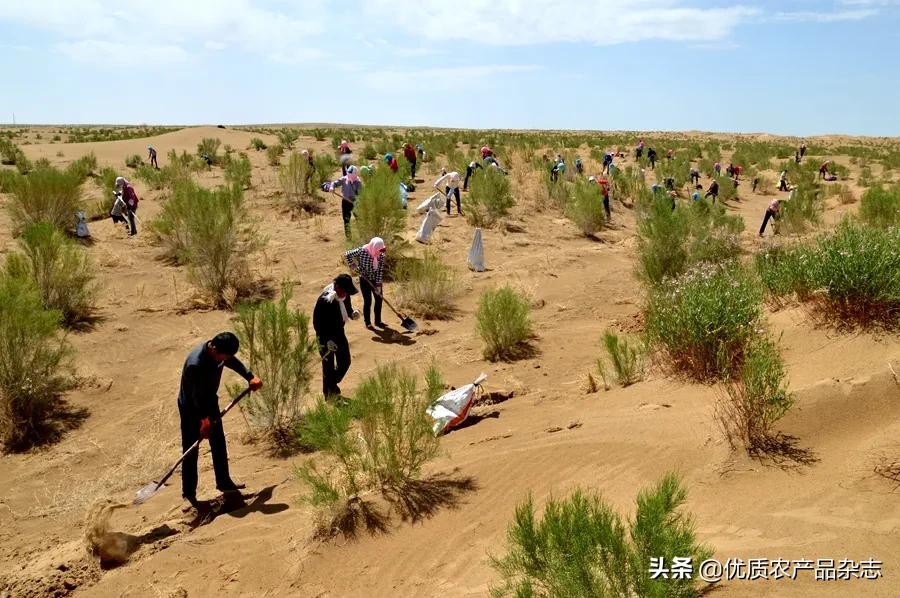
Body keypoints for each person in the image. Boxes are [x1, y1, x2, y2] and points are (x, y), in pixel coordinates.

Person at [177, 332, 263, 508]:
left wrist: (249, 376)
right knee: (191, 448)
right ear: (214, 349)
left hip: (209, 401)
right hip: (191, 409)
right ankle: (189, 493)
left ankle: (224, 482)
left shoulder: (220, 353)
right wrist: (203, 420)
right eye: (223, 356)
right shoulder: (196, 364)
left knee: (218, 442)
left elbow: (230, 360)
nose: (225, 359)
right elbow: (194, 397)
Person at [313, 274, 359, 398]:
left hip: (339, 333)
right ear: (337, 287)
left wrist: (352, 313)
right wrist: (327, 340)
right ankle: (329, 393)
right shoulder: (325, 300)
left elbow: (347, 307)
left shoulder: (344, 294)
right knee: (328, 366)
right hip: (324, 337)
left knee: (345, 362)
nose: (346, 294)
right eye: (344, 291)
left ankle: (331, 385)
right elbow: (317, 323)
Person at [345, 238, 387, 330]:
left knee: (379, 299)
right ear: (374, 247)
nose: (381, 252)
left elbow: (379, 271)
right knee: (368, 301)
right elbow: (348, 254)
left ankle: (378, 321)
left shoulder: (381, 256)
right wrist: (352, 265)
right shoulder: (362, 251)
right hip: (364, 279)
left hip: (375, 280)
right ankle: (367, 322)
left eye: (383, 250)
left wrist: (378, 285)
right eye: (380, 250)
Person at [327, 166, 362, 237]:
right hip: (345, 201)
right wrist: (331, 187)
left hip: (355, 203)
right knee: (346, 219)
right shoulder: (344, 179)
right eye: (348, 175)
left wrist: (358, 201)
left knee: (359, 219)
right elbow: (334, 183)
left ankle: (362, 235)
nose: (349, 177)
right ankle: (349, 237)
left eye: (351, 175)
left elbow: (361, 194)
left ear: (355, 174)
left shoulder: (358, 182)